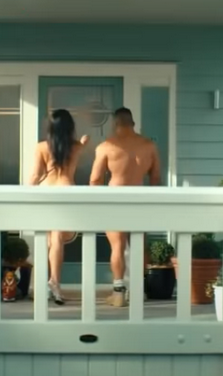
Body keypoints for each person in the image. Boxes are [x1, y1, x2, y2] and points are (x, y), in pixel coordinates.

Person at [90, 107, 161, 307]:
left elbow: (95, 179)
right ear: (133, 123)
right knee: (139, 245)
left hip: (115, 199)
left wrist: (96, 203)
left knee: (117, 246)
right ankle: (138, 290)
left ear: (115, 123)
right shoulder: (149, 146)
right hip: (140, 198)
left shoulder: (106, 147)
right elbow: (156, 177)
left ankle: (119, 293)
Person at [28, 109, 89, 305]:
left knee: (48, 239)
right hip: (66, 191)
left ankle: (44, 284)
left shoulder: (41, 147)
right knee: (56, 239)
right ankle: (54, 283)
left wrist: (26, 194)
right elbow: (80, 147)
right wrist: (84, 142)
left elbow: (35, 175)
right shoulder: (76, 147)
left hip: (46, 191)